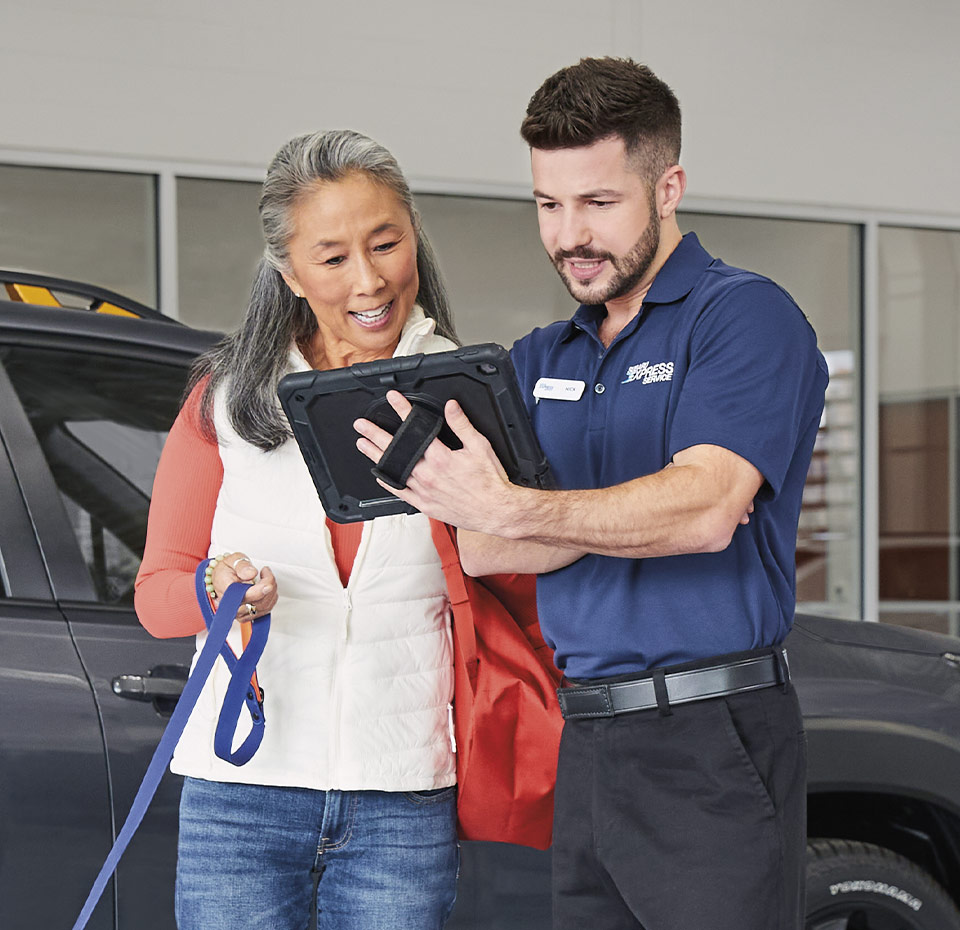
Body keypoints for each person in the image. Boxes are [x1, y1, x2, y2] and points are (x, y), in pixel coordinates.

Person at [355, 58, 829, 930]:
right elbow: (488, 547)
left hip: (711, 736)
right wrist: (609, 511)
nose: (570, 233)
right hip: (587, 742)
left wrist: (528, 507)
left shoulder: (742, 318)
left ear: (668, 186)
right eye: (549, 204)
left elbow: (706, 509)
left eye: (599, 204)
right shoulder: (540, 359)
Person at [135, 128, 558, 930]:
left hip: (404, 803)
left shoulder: (472, 400)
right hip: (241, 797)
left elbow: (523, 583)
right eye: (332, 258)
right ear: (290, 273)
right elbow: (159, 597)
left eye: (386, 243)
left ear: (414, 239)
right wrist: (215, 588)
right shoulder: (226, 407)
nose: (369, 280)